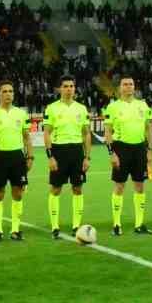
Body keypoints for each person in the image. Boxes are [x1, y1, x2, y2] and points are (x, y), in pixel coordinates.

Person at [102, 75, 152, 236]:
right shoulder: (112, 107)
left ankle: (139, 224)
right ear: (120, 88)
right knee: (119, 186)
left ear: (134, 87)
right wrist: (112, 154)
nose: (128, 87)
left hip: (139, 149)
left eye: (131, 84)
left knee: (140, 185)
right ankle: (116, 224)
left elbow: (148, 129)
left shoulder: (143, 105)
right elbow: (108, 132)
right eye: (125, 84)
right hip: (120, 148)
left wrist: (150, 150)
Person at [0, 80, 32, 242]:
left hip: (17, 156)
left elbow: (27, 137)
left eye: (11, 91)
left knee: (18, 192)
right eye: (4, 91)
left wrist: (30, 157)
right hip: (0, 157)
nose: (8, 94)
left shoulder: (21, 114)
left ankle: (15, 230)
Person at [43, 75, 92, 240]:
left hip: (77, 151)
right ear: (59, 89)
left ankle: (76, 226)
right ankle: (55, 226)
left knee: (77, 188)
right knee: (56, 189)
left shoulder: (82, 108)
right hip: (59, 151)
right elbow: (47, 133)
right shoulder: (52, 108)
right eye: (65, 86)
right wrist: (50, 156)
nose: (69, 89)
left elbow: (86, 134)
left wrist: (87, 157)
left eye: (71, 86)